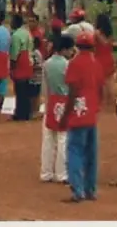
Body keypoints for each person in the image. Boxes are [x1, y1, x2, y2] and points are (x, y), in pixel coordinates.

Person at [60, 31, 104, 203]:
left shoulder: (74, 63)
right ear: (92, 46)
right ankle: (90, 190)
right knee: (91, 153)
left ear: (77, 46)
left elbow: (72, 92)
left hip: (78, 111)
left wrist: (65, 115)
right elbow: (101, 88)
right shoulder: (96, 63)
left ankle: (78, 191)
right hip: (92, 111)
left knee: (75, 151)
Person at [41, 34, 75, 184]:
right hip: (64, 100)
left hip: (51, 100)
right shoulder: (68, 65)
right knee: (63, 139)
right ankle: (61, 173)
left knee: (48, 139)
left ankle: (46, 172)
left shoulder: (47, 63)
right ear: (65, 49)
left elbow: (45, 86)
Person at [10, 14, 36, 121]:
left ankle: (20, 113)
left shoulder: (16, 35)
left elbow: (14, 53)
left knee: (19, 90)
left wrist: (12, 67)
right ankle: (27, 113)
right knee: (26, 89)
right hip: (29, 61)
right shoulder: (27, 32)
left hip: (21, 62)